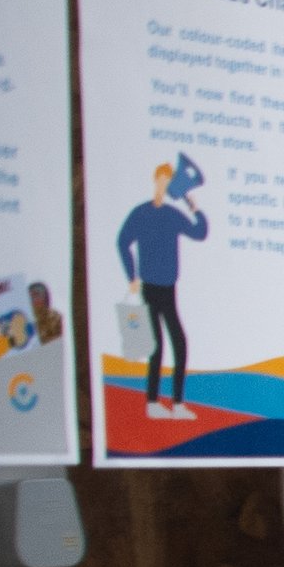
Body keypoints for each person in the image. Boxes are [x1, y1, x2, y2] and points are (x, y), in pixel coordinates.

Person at [115, 159, 208, 417]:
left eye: (170, 180)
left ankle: (178, 403)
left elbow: (199, 232)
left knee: (179, 341)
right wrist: (131, 276)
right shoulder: (142, 213)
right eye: (163, 179)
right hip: (149, 287)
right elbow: (122, 242)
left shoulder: (171, 215)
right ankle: (153, 402)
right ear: (157, 180)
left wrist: (194, 206)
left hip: (169, 288)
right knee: (155, 344)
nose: (166, 185)